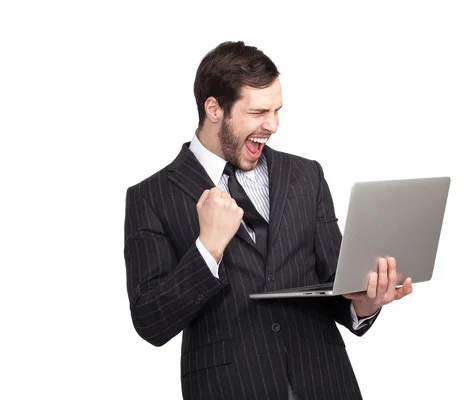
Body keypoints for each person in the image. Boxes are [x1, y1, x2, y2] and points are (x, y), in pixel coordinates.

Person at [123, 41, 413, 400]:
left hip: (325, 382)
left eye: (277, 111)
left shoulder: (305, 175)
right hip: (230, 389)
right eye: (259, 112)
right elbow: (151, 321)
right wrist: (208, 248)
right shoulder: (150, 197)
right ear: (214, 108)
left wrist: (365, 302)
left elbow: (334, 284)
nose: (273, 125)